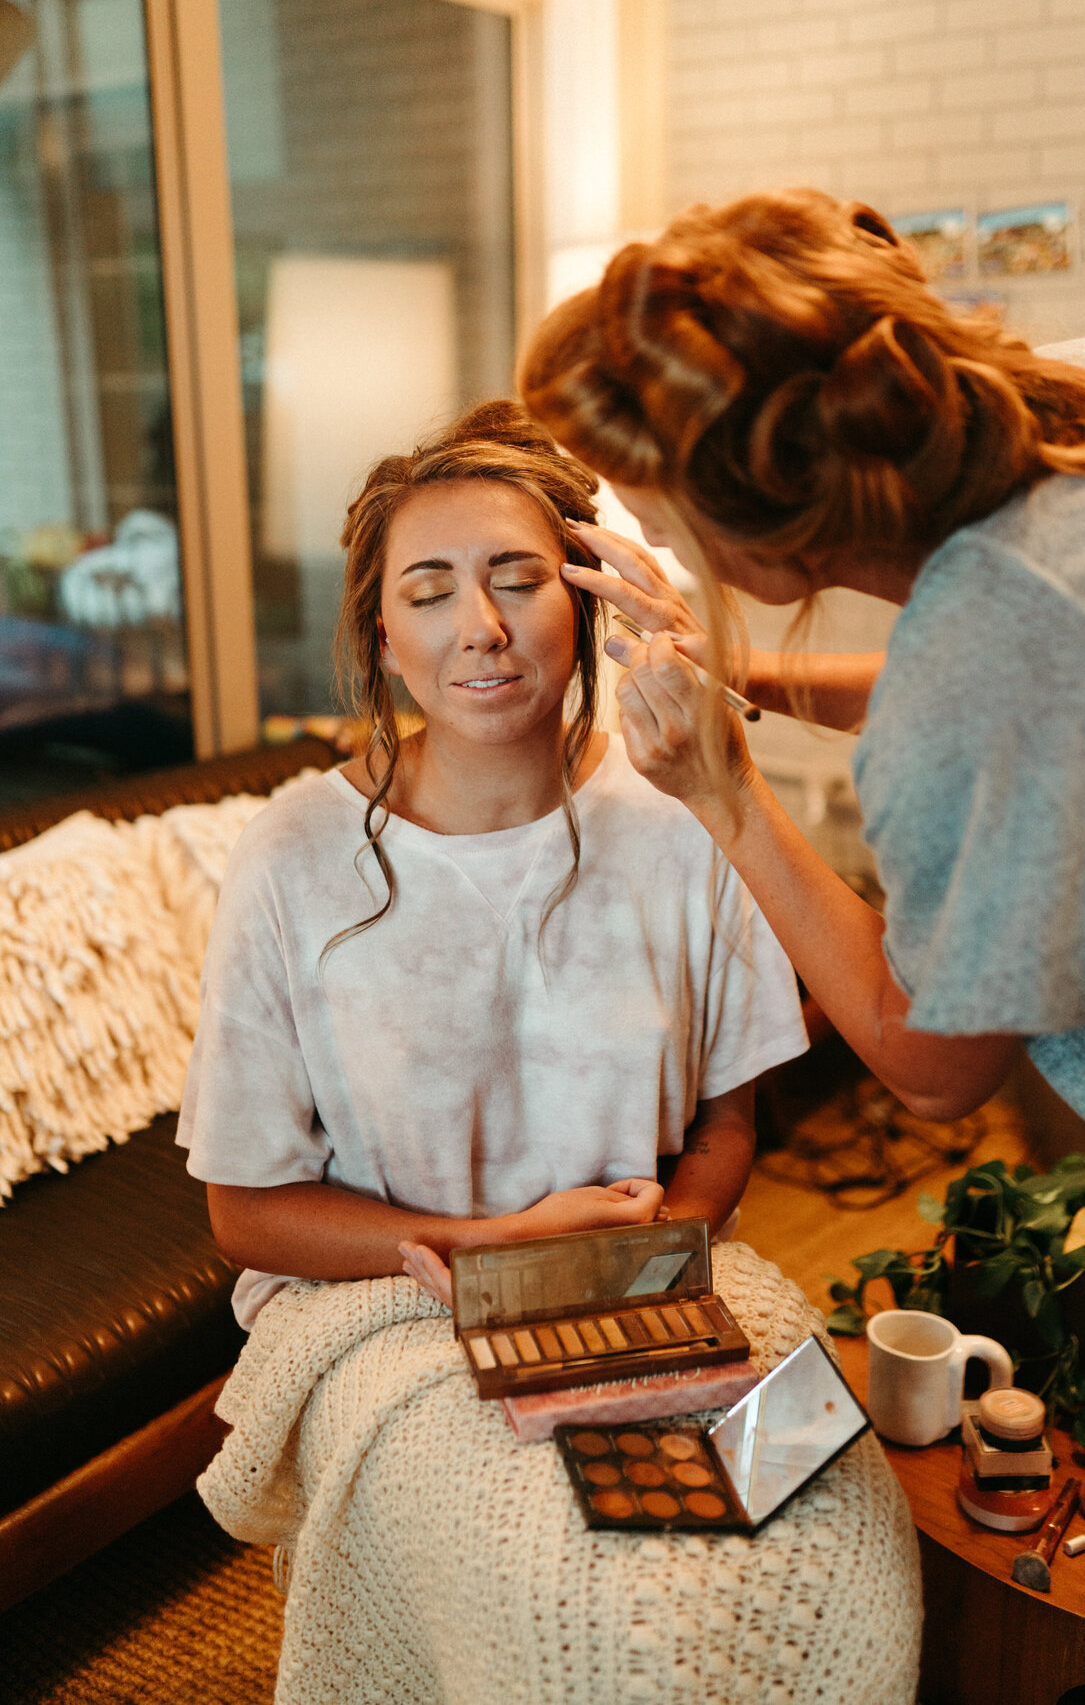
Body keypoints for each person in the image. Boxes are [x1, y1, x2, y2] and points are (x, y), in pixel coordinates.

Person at [519, 187, 1085, 1705]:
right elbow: (1024, 680)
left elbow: (928, 1048)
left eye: (662, 501)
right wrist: (749, 677)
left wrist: (722, 785)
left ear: (764, 531)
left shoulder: (1008, 644)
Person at [177, 399, 807, 1329]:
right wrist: (498, 1252)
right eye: (429, 595)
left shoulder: (686, 815)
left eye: (517, 579)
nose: (481, 627)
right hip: (391, 1297)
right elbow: (246, 1211)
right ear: (386, 640)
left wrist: (633, 1260)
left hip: (655, 1262)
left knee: (813, 1472)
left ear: (585, 596)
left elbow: (726, 1124)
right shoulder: (292, 857)